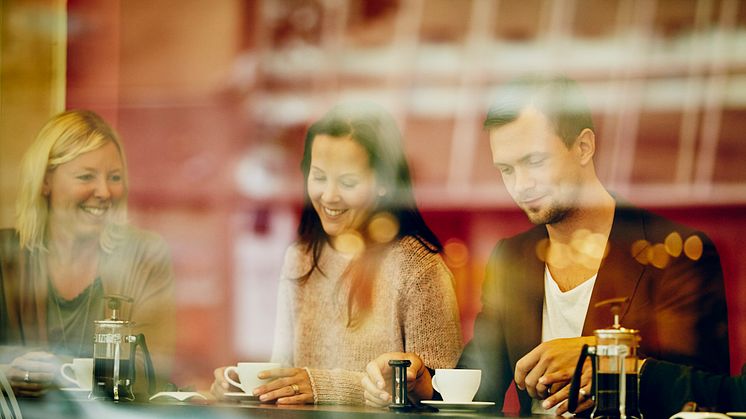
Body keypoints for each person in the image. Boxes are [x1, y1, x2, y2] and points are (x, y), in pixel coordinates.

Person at [363, 75, 729, 415]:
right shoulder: (512, 257)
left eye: (534, 161)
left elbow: (712, 398)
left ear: (583, 146)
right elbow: (480, 382)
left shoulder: (673, 251)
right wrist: (422, 385)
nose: (521, 185)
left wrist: (606, 364)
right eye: (506, 170)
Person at [211, 102, 462, 405]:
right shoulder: (300, 257)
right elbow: (285, 375)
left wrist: (324, 386)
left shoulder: (419, 267)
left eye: (348, 182)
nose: (328, 196)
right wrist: (249, 386)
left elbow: (443, 397)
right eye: (318, 177)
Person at [0, 110, 176, 397]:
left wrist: (60, 370)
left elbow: (153, 368)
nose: (105, 192)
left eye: (115, 177)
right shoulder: (6, 255)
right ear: (46, 182)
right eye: (86, 176)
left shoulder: (145, 255)